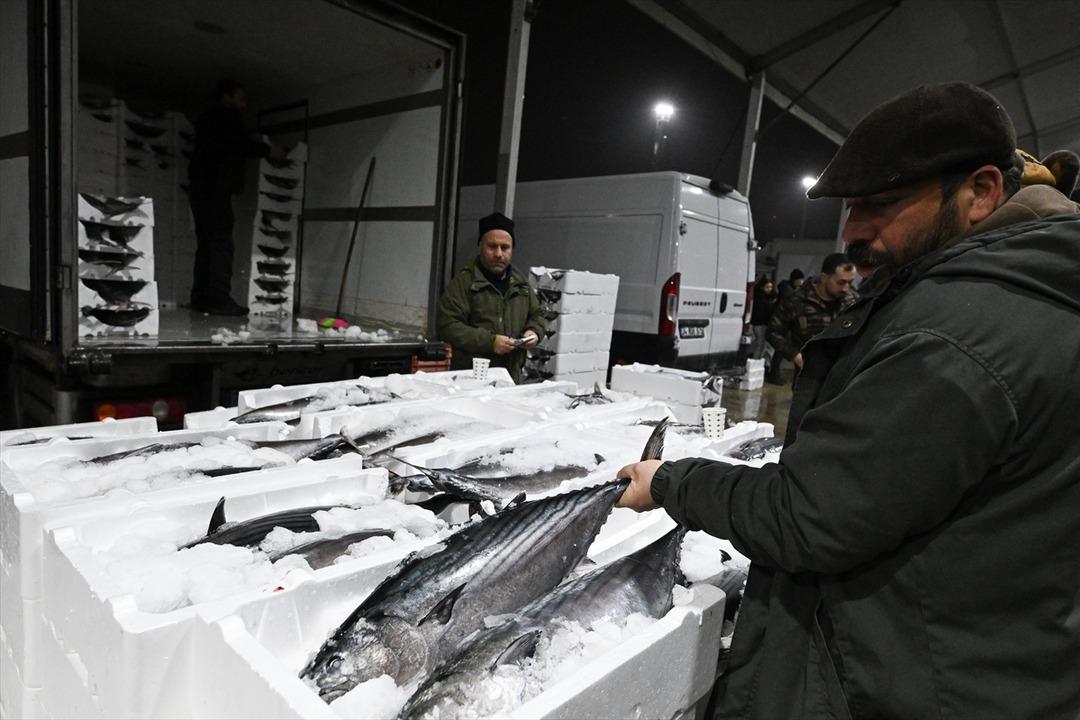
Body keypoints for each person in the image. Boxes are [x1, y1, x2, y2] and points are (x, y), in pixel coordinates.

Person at [615, 82, 1080, 719]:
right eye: (851, 206)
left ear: (981, 192)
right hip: (994, 658)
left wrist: (671, 482)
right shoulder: (1026, 289)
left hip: (909, 685)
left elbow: (807, 518)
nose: (854, 231)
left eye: (880, 205)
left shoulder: (956, 335)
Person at [188, 79, 285, 315]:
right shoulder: (224, 117)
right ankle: (218, 300)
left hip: (202, 188)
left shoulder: (208, 119)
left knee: (207, 244)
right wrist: (269, 150)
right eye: (240, 96)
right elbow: (238, 144)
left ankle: (202, 298)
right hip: (215, 189)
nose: (245, 101)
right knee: (221, 244)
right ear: (227, 96)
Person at [437, 212, 546, 383]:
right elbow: (448, 326)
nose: (499, 254)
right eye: (492, 246)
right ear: (480, 246)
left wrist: (534, 332)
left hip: (511, 378)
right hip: (473, 381)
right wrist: (490, 342)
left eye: (505, 247)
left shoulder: (520, 283)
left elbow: (537, 315)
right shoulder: (464, 283)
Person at [764, 253, 855, 384]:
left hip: (841, 379)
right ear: (824, 278)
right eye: (841, 282)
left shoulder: (851, 302)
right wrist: (795, 356)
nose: (846, 288)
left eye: (850, 283)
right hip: (807, 380)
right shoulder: (797, 301)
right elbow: (773, 332)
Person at [748, 276, 777, 359]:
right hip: (760, 324)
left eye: (771, 287)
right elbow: (762, 312)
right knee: (760, 344)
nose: (769, 289)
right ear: (762, 287)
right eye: (767, 287)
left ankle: (751, 357)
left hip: (760, 323)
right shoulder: (761, 299)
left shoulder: (765, 298)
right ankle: (755, 360)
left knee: (759, 343)